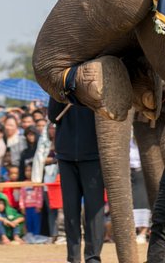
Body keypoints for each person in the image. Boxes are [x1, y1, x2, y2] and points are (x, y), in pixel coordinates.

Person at [47, 97, 106, 263]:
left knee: (94, 211)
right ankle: (73, 257)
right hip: (66, 155)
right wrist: (61, 94)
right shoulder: (60, 87)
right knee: (70, 210)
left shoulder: (94, 84)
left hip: (93, 155)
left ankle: (93, 257)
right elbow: (52, 116)